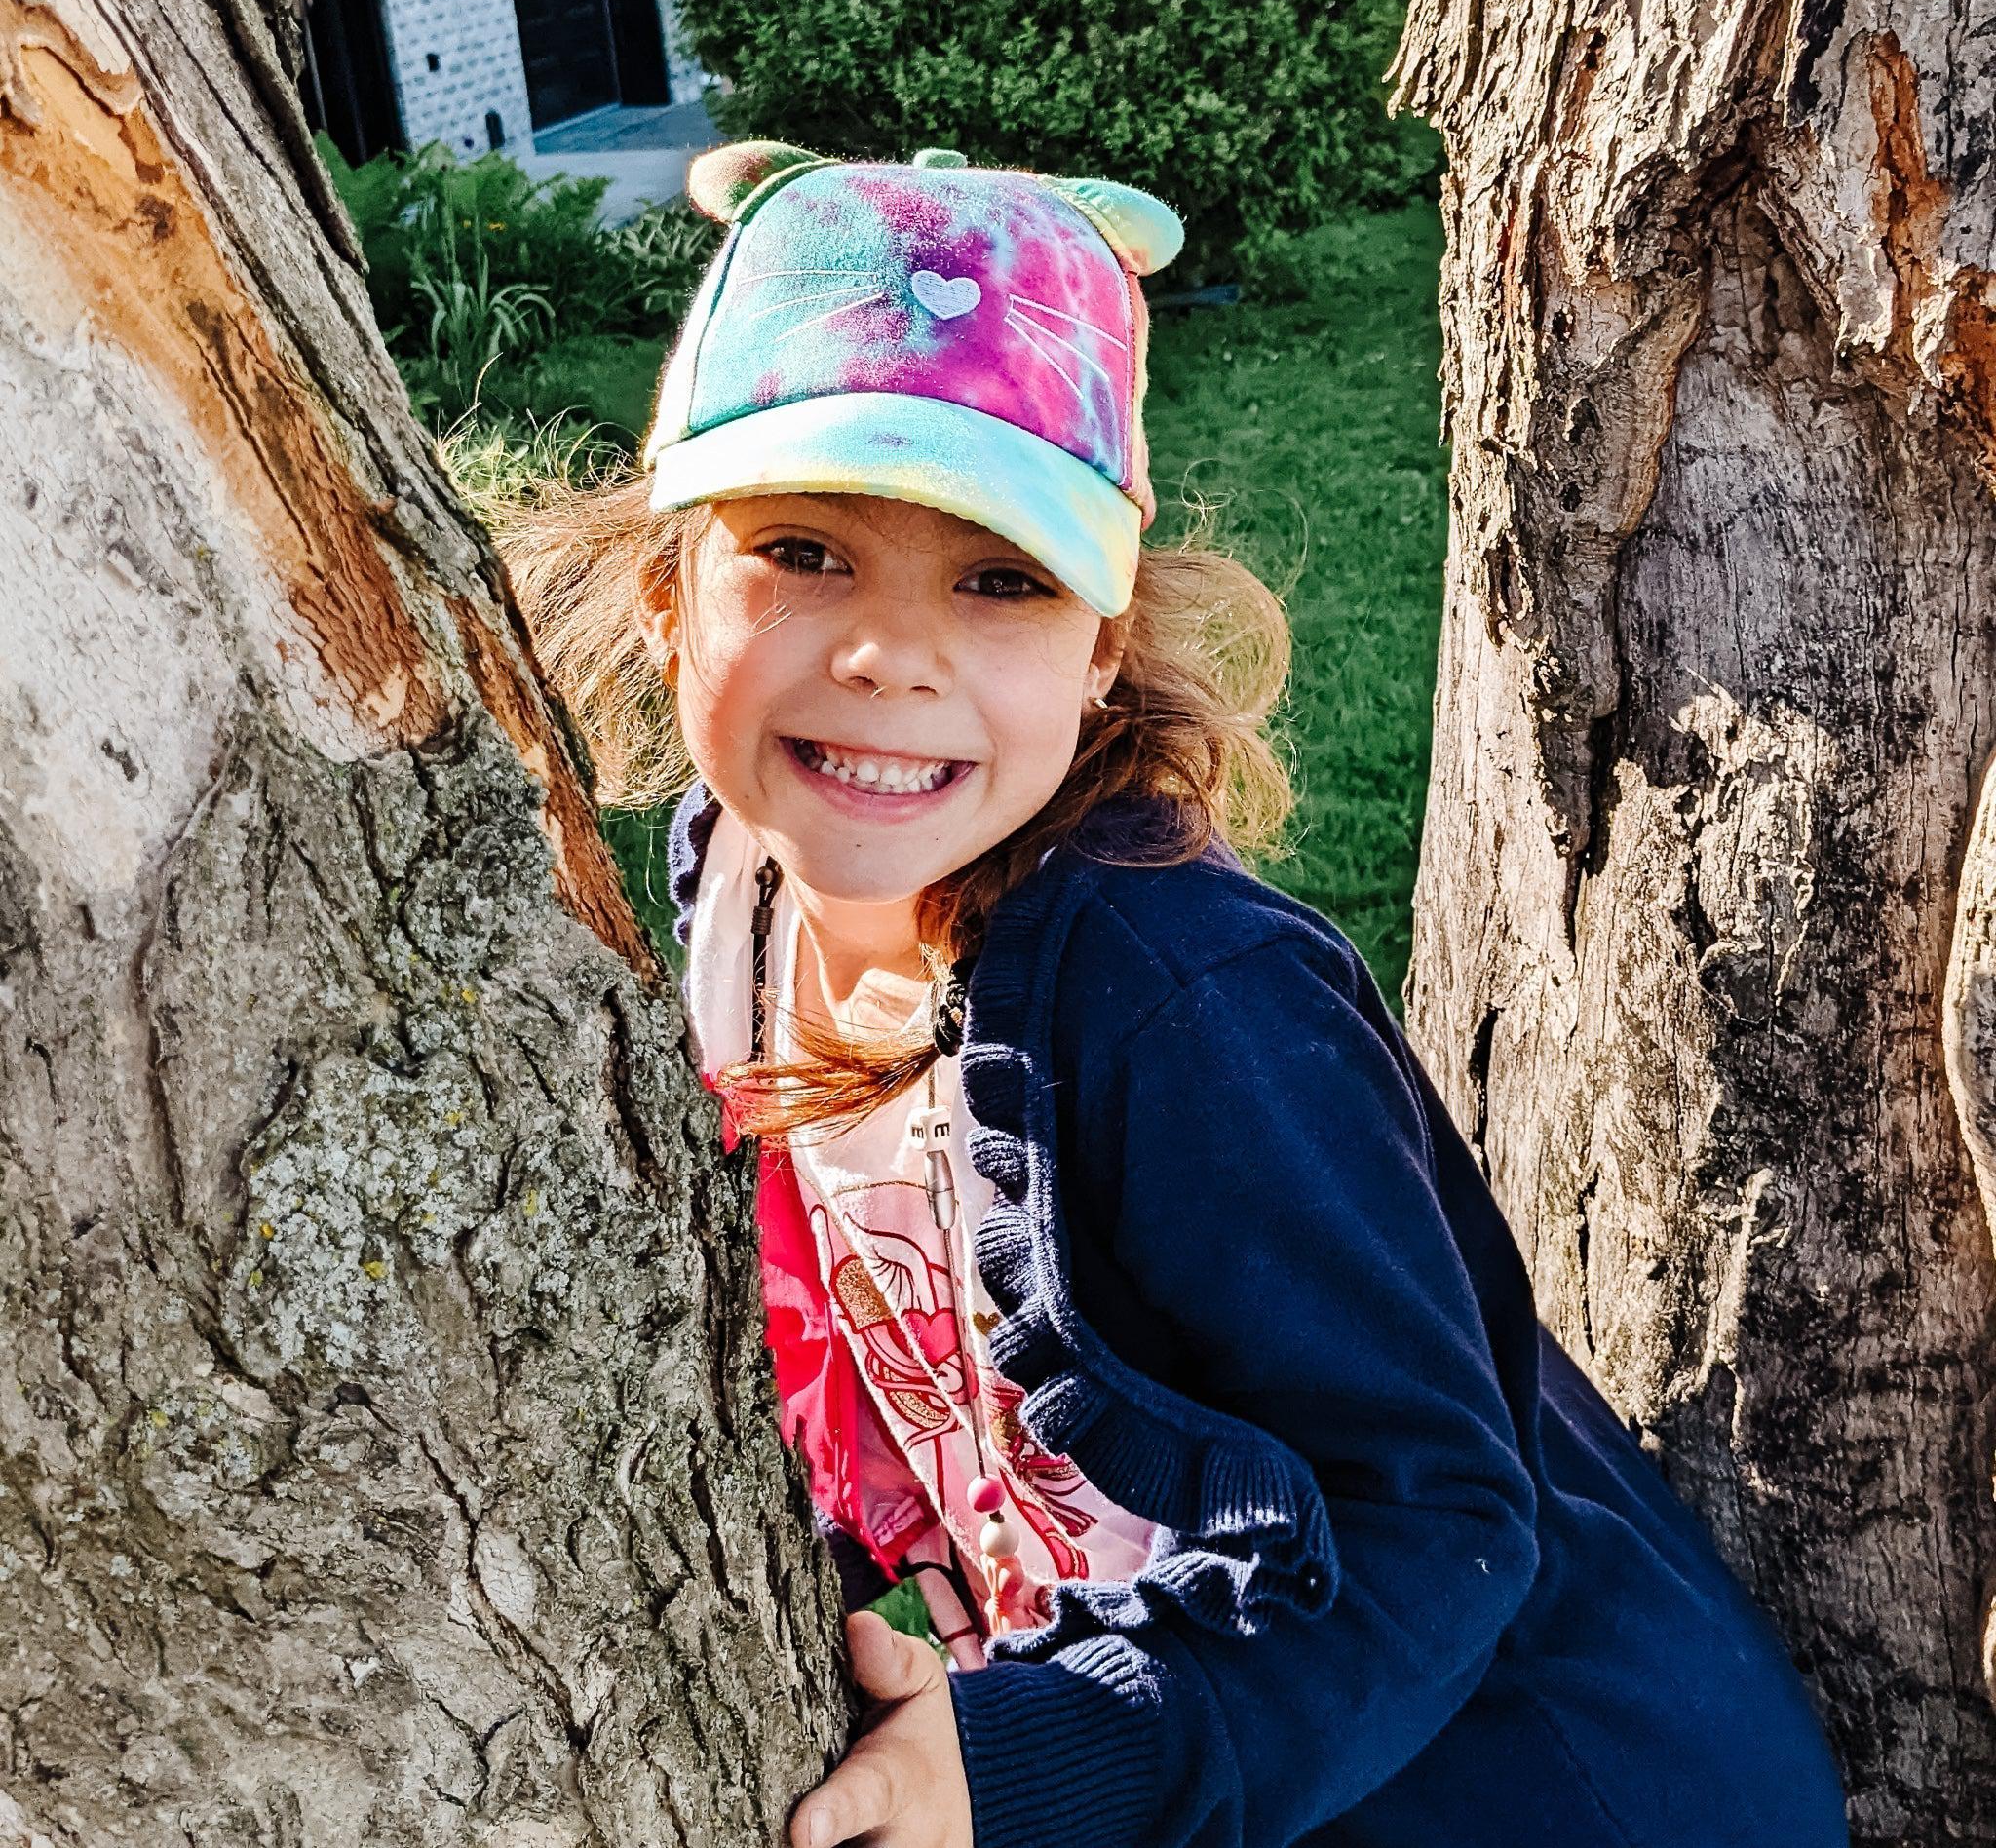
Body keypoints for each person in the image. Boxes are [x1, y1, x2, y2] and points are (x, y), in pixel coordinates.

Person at [493, 140, 1851, 1848]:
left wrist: (1058, 1755)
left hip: (1516, 1783)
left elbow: (1433, 1527)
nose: (889, 654)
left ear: (1104, 645)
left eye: (999, 579)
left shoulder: (1182, 1005)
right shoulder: (739, 888)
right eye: (804, 550)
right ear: (665, 597)